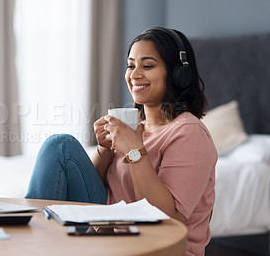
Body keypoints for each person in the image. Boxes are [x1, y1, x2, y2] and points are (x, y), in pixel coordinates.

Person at [25, 27, 217, 256]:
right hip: (109, 233)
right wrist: (104, 149)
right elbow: (95, 192)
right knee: (59, 147)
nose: (134, 74)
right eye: (130, 65)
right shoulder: (134, 126)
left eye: (147, 66)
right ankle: (31, 244)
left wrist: (135, 151)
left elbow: (166, 219)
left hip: (154, 247)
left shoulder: (188, 132)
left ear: (178, 74)